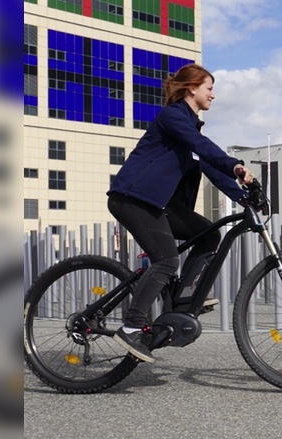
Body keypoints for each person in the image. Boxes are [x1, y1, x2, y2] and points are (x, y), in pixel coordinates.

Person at [107, 64, 254, 363]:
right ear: (192, 89)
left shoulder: (190, 128)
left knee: (210, 233)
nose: (213, 95)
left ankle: (183, 296)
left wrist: (244, 196)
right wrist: (236, 164)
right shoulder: (173, 117)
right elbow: (204, 148)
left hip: (158, 203)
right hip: (133, 198)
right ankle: (132, 325)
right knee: (166, 259)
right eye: (209, 88)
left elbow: (209, 165)